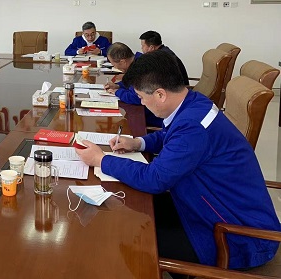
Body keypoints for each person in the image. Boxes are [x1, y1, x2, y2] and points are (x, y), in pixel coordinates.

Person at [76, 50, 280, 270]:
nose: (142, 103)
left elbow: (154, 179)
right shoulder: (194, 102)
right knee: (121, 208)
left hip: (233, 235)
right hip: (202, 204)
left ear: (160, 94)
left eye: (142, 97)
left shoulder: (193, 127)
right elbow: (170, 135)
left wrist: (101, 159)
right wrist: (138, 143)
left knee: (122, 238)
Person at [103, 42, 162, 127]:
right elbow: (130, 83)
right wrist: (118, 86)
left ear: (123, 62)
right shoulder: (138, 60)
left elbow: (135, 97)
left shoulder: (140, 68)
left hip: (152, 116)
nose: (115, 67)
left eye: (114, 65)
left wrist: (117, 92)